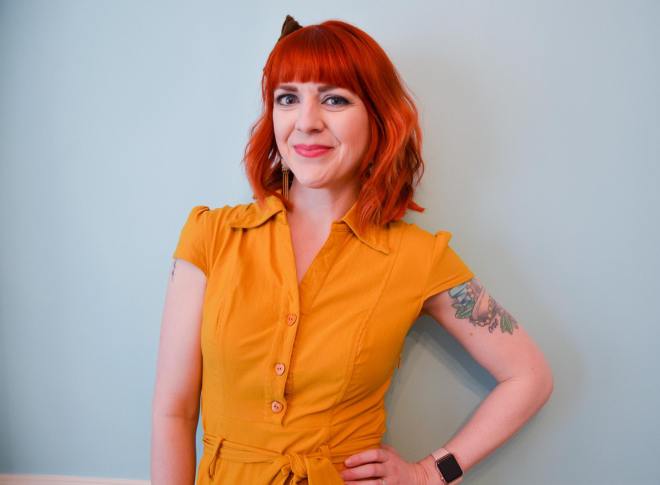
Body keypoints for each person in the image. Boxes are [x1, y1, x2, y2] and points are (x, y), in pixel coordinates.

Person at [151, 15, 554, 485]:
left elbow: (530, 376)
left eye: (334, 99)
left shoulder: (417, 258)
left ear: (377, 118)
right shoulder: (211, 236)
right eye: (287, 98)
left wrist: (430, 473)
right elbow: (173, 412)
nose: (306, 122)